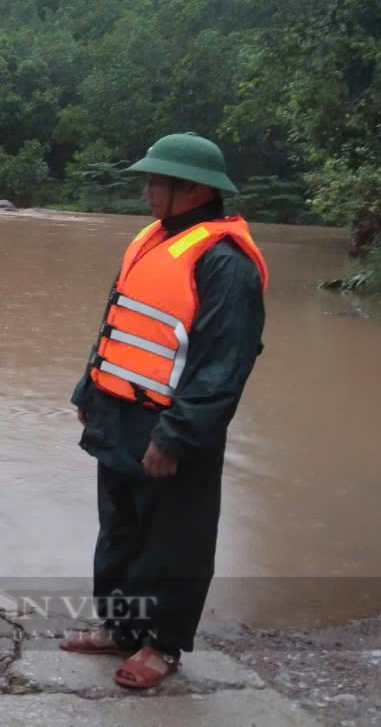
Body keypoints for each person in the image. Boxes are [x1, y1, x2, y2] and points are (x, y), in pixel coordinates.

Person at [60, 132, 268, 688]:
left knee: (174, 539)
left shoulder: (227, 265)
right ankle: (121, 629)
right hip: (119, 415)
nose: (148, 191)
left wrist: (175, 437)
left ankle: (162, 644)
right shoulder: (152, 240)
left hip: (172, 426)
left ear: (194, 190)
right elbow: (119, 321)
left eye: (158, 181)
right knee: (121, 530)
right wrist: (89, 391)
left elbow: (222, 367)